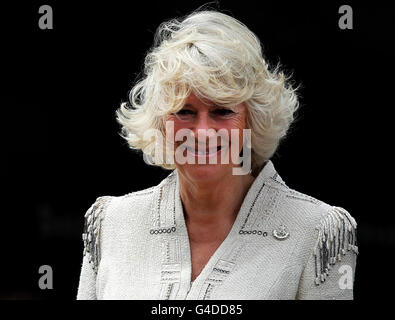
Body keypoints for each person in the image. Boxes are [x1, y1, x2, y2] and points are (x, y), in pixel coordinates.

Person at [76, 9, 358, 300]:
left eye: (222, 111)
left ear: (252, 120)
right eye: (184, 112)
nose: (202, 132)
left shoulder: (316, 231)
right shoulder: (112, 224)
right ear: (160, 121)